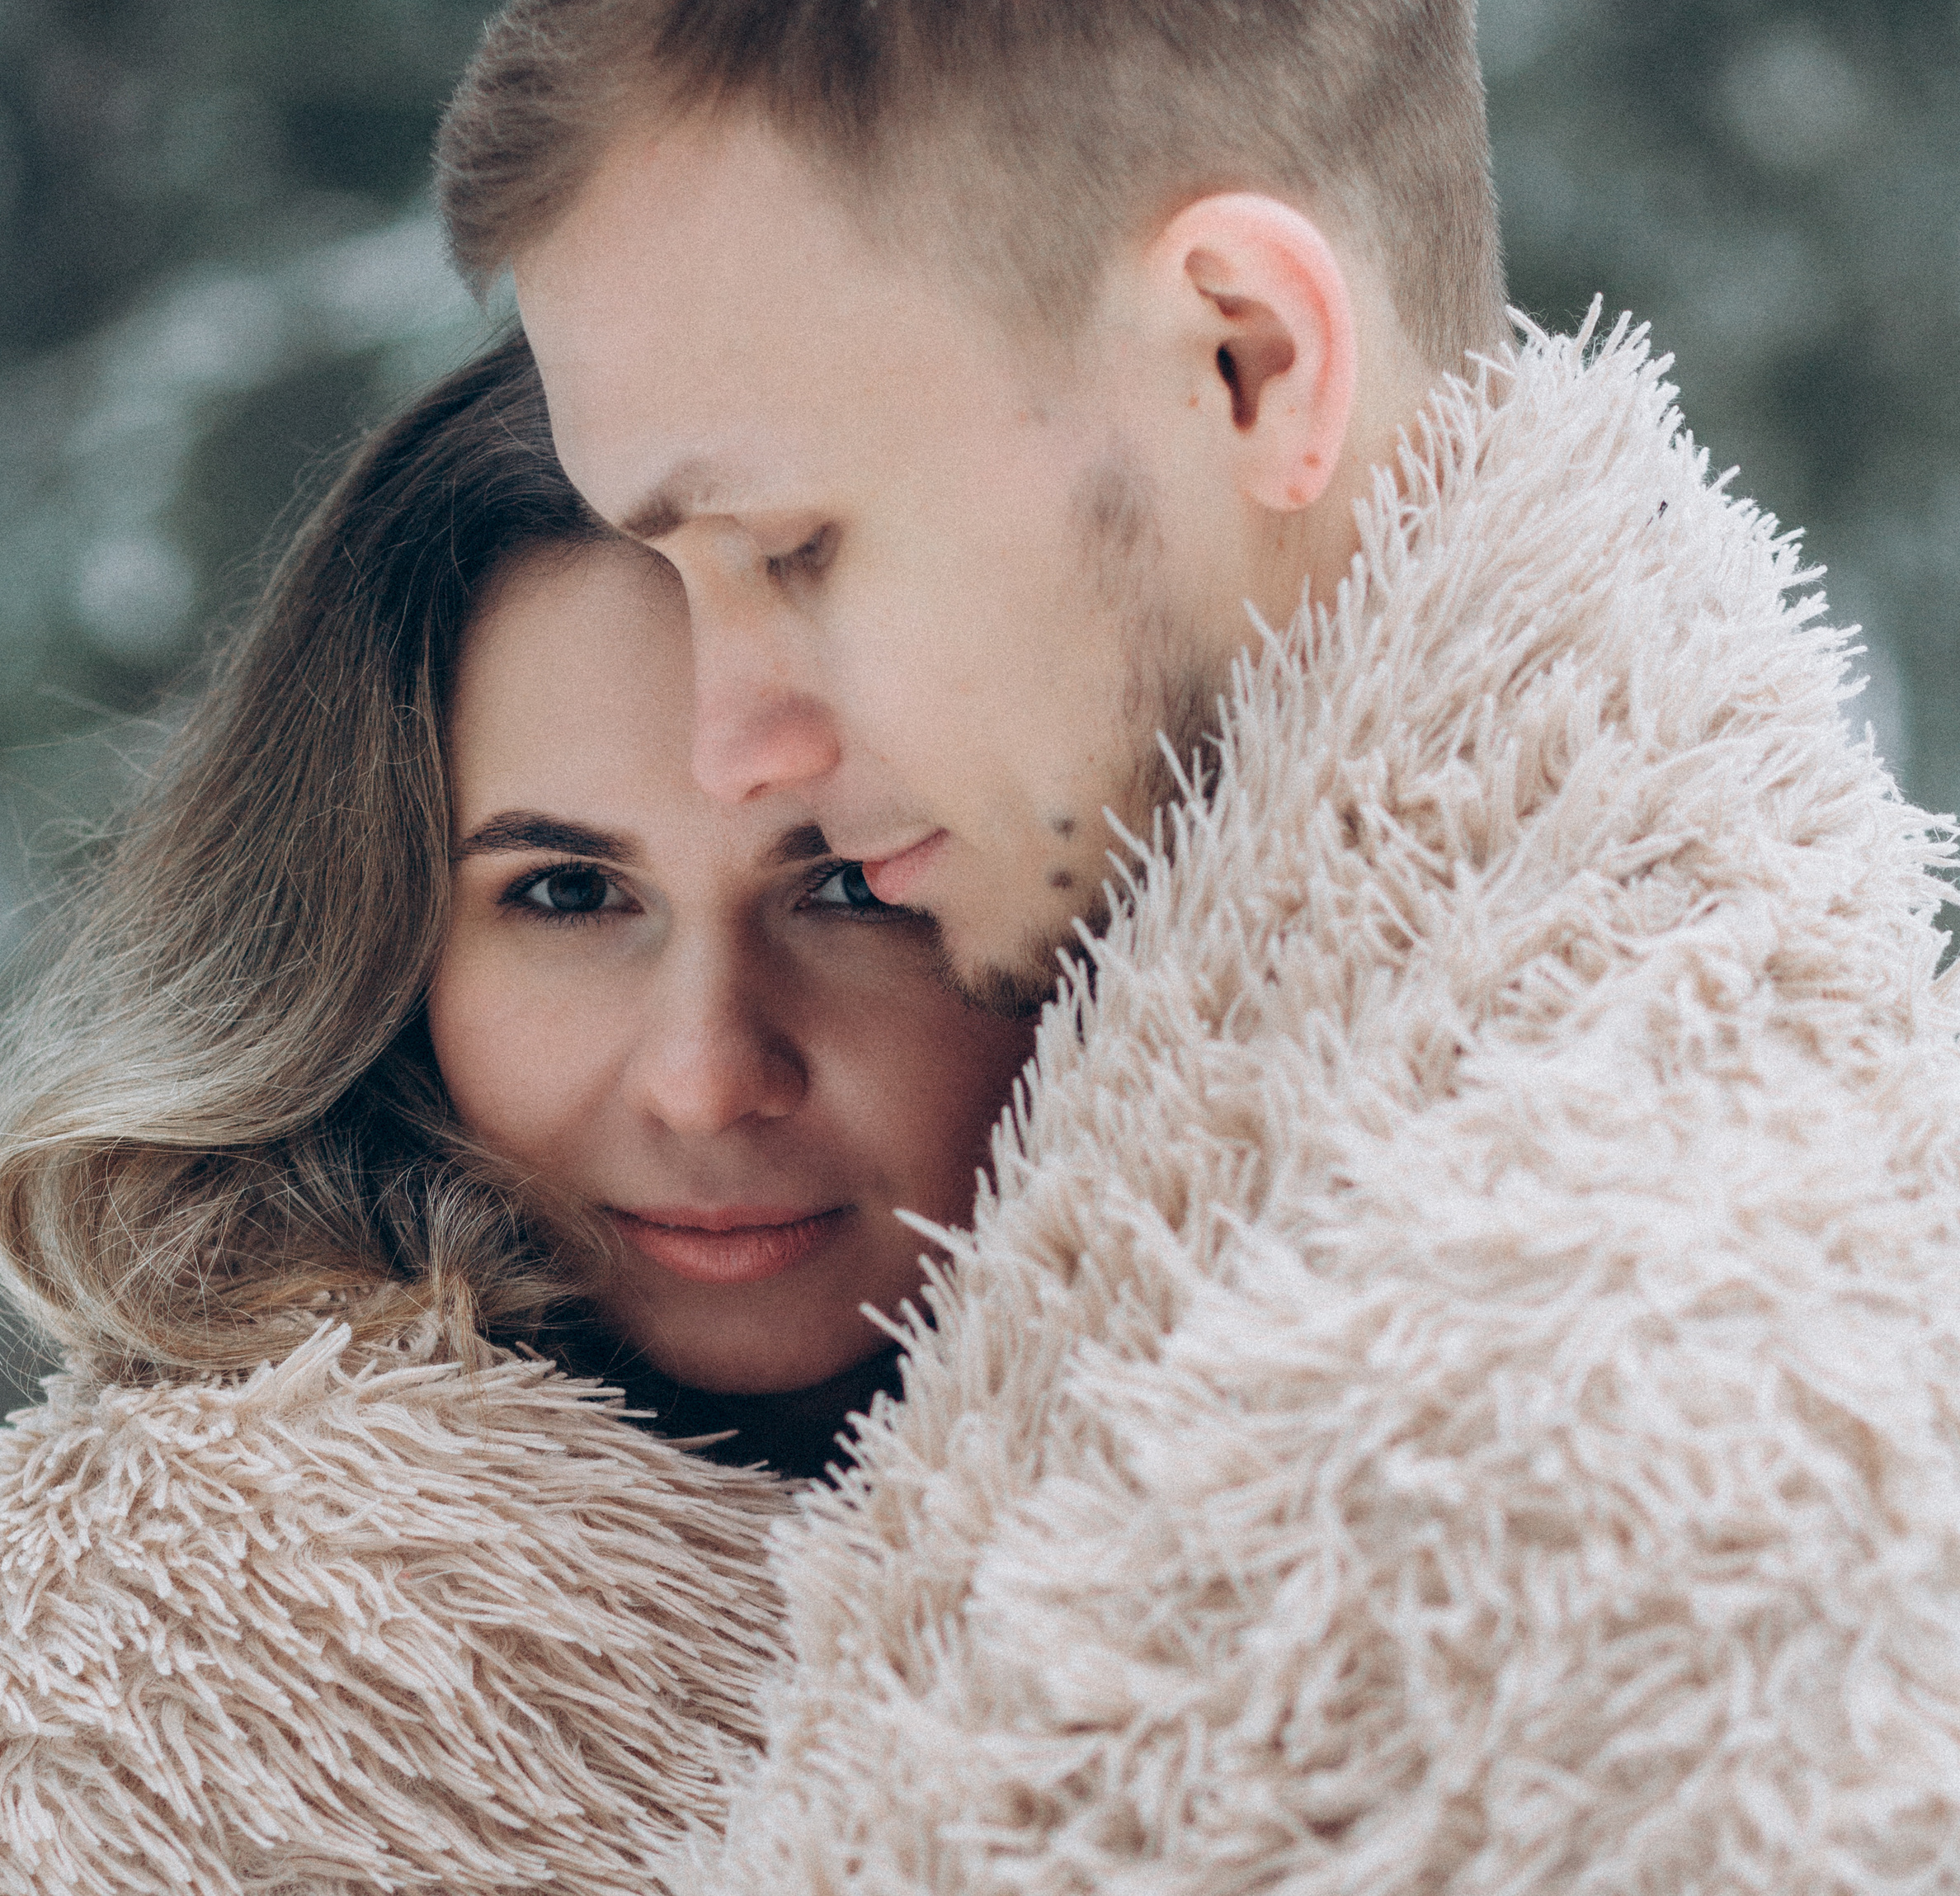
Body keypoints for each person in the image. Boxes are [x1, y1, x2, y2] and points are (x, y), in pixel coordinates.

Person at [435, 2, 1960, 1889]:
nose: (730, 735)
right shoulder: (1293, 1272)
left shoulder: (1608, 1448)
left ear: (1245, 361)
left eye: (790, 548)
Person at [0, 332, 1033, 1895]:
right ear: (377, 942)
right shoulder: (127, 1699)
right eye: (569, 892)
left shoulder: (1305, 1456)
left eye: (852, 886)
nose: (706, 1073)